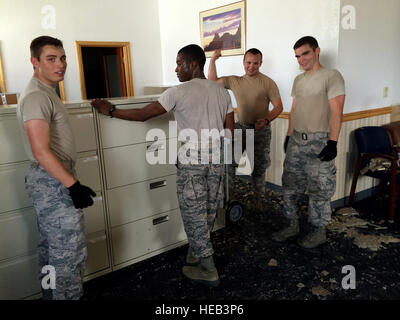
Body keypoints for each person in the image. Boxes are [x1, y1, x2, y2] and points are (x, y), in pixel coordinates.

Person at [91, 44, 234, 287]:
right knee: (209, 208)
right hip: (218, 157)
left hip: (193, 159)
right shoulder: (222, 92)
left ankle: (208, 268)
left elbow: (144, 114)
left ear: (193, 64)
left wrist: (112, 110)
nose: (176, 68)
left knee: (192, 212)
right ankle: (198, 250)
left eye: (180, 63)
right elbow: (230, 130)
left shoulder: (177, 92)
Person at [16, 36, 96, 299]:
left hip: (51, 179)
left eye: (62, 58)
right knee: (67, 254)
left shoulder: (45, 92)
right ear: (34, 62)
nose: (60, 64)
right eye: (51, 59)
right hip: (53, 182)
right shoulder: (37, 95)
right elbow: (40, 150)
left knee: (53, 249)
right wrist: (73, 186)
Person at [272, 36, 345, 249]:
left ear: (317, 51)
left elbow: (336, 111)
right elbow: (294, 110)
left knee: (320, 188)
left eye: (305, 53)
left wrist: (333, 142)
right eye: (297, 56)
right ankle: (291, 225)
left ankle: (318, 231)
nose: (301, 59)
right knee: (290, 186)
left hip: (320, 141)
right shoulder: (299, 80)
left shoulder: (331, 76)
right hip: (297, 141)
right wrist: (288, 135)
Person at [208, 48, 283, 211]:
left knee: (259, 167)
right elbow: (212, 82)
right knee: (230, 164)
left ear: (260, 63)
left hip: (261, 131)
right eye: (248, 63)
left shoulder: (268, 82)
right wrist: (213, 60)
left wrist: (267, 119)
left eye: (255, 63)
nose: (251, 66)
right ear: (243, 63)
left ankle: (258, 198)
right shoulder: (235, 81)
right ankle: (232, 195)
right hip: (240, 129)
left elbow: (279, 107)